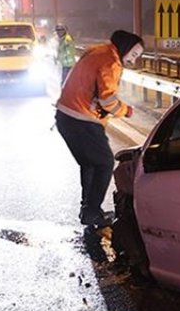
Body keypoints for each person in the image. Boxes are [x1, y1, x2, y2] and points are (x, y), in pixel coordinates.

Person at [55, 29, 144, 229]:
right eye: (133, 54)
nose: (133, 60)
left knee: (90, 164)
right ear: (126, 48)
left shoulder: (100, 51)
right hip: (80, 118)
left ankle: (88, 210)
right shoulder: (110, 62)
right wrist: (126, 110)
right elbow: (107, 100)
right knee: (104, 163)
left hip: (67, 115)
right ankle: (92, 211)